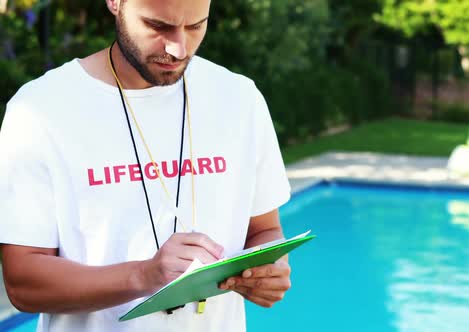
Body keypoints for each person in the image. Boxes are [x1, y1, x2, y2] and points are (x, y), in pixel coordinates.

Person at [0, 0, 293, 331]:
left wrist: (268, 268)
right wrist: (145, 274)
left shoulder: (240, 99)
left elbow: (264, 230)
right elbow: (23, 282)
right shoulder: (39, 110)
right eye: (158, 26)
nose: (179, 48)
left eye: (196, 26)